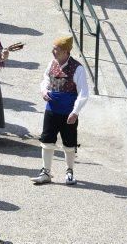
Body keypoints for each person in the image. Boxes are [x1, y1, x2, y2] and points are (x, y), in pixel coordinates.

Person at [30, 36, 89, 186]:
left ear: (65, 51)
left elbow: (83, 93)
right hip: (51, 109)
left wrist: (75, 112)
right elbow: (45, 79)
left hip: (68, 112)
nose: (53, 51)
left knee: (69, 144)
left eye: (56, 49)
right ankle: (46, 172)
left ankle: (69, 172)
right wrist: (43, 91)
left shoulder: (78, 68)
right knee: (47, 140)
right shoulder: (52, 63)